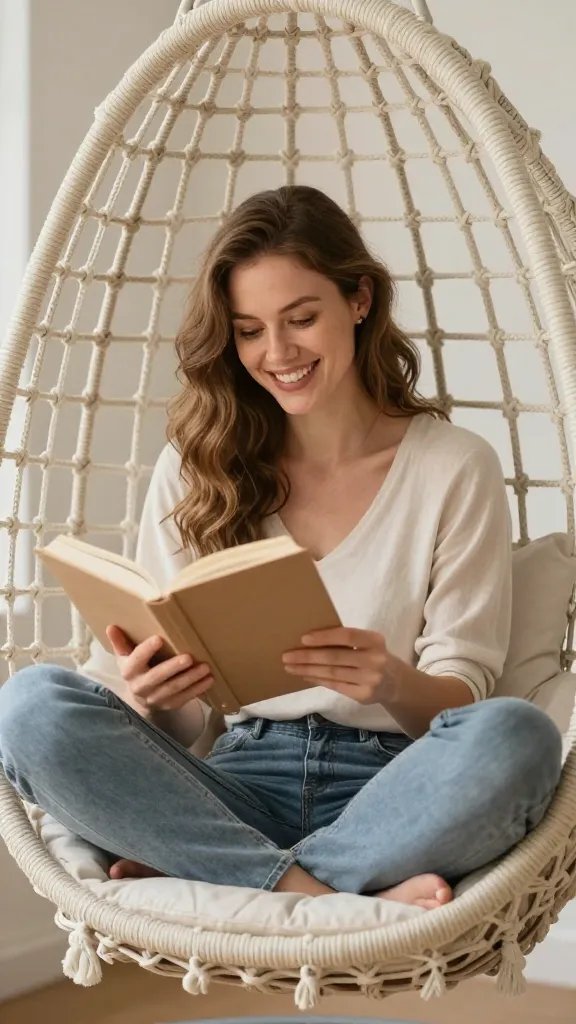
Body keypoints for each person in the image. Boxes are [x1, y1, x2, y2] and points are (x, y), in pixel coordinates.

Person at [0, 186, 562, 911]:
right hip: (231, 786)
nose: (278, 353)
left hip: (396, 792)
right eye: (250, 330)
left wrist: (388, 679)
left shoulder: (454, 465)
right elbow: (191, 723)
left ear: (359, 299)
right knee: (30, 707)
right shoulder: (197, 466)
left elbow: (465, 694)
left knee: (518, 735)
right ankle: (325, 887)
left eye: (301, 319)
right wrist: (151, 696)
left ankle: (229, 872)